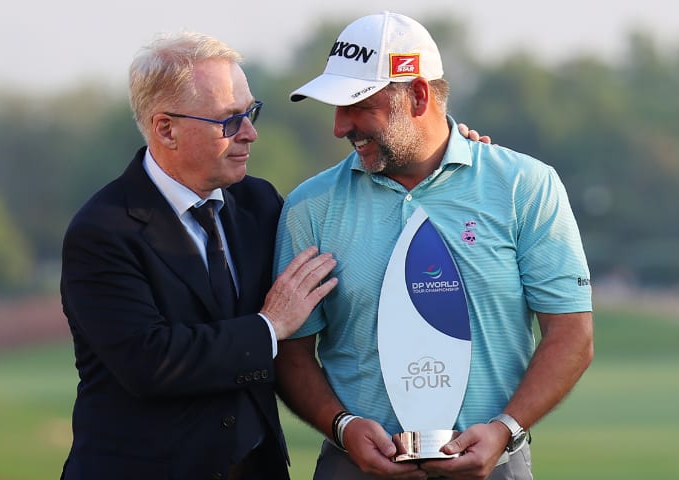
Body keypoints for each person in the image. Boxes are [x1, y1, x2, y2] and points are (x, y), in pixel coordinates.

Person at [273, 11, 594, 480]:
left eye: (359, 105)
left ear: (418, 96)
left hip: (495, 465)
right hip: (354, 468)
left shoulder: (525, 185)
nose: (340, 127)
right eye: (336, 108)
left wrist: (505, 429)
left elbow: (571, 334)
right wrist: (342, 427)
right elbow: (291, 351)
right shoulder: (309, 206)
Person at [59, 32, 340, 480]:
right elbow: (150, 363)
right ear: (166, 128)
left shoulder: (260, 203)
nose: (251, 133)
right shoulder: (102, 231)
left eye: (251, 112)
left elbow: (345, 236)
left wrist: (444, 157)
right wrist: (268, 327)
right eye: (229, 121)